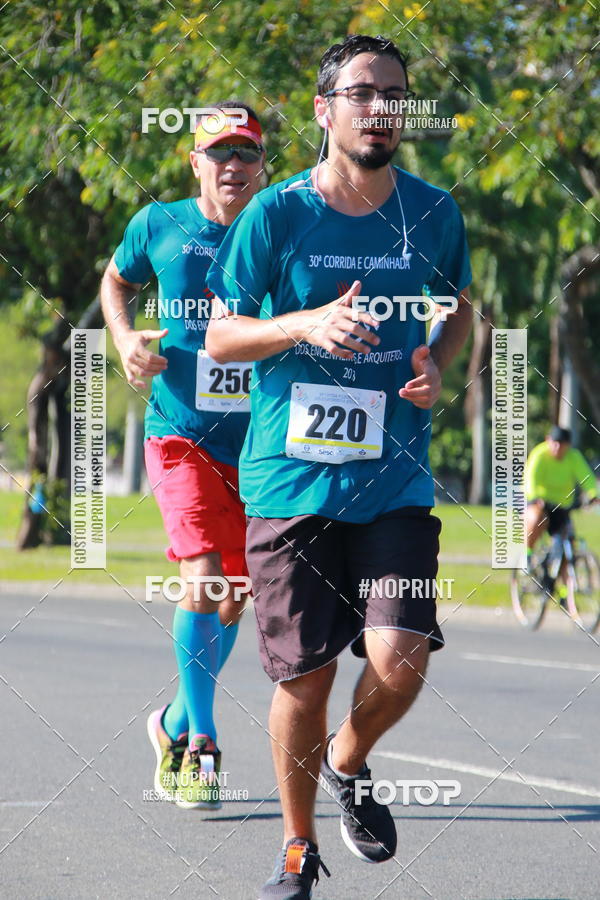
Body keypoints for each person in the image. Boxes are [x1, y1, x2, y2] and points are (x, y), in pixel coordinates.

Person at [206, 35, 472, 899]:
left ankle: (350, 762)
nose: (381, 108)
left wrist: (436, 361)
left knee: (400, 659)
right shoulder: (276, 216)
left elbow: (460, 308)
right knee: (308, 679)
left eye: (395, 94)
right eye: (363, 92)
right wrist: (305, 325)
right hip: (290, 485)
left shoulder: (434, 213)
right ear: (326, 110)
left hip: (392, 479)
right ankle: (296, 847)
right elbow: (219, 334)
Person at [100, 101, 265, 809]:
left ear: (262, 166)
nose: (233, 166)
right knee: (201, 578)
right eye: (219, 153)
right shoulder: (158, 226)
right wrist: (124, 337)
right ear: (194, 161)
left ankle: (170, 724)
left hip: (259, 447)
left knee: (234, 599)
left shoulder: (280, 228)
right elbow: (115, 282)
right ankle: (202, 746)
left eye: (246, 154)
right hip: (180, 436)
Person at [526, 425, 598, 554]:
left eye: (562, 444)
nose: (558, 447)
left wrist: (593, 494)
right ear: (548, 440)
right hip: (539, 501)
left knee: (568, 543)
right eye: (555, 443)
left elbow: (587, 477)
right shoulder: (539, 454)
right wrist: (536, 497)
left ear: (568, 445)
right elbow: (530, 479)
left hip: (562, 504)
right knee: (536, 519)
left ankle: (567, 572)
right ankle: (528, 555)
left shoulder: (574, 457)